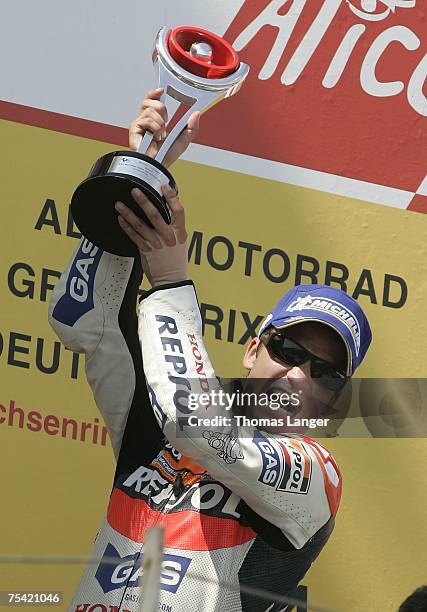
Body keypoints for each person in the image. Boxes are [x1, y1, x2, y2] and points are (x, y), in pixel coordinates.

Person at [49, 89, 372, 611]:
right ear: (251, 349)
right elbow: (83, 319)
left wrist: (172, 280)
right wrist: (138, 179)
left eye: (326, 372)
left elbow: (195, 426)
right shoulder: (153, 426)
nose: (299, 377)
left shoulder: (316, 477)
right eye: (288, 349)